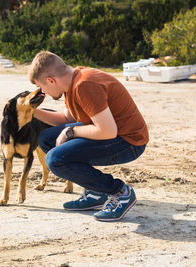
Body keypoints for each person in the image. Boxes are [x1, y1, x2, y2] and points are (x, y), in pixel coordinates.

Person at [29, 51, 149, 221]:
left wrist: (71, 131)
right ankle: (95, 191)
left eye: (42, 87)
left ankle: (120, 192)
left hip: (129, 141)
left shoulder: (85, 85)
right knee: (46, 138)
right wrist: (31, 111)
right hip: (111, 133)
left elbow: (108, 131)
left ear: (51, 80)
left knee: (56, 159)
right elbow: (66, 119)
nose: (43, 92)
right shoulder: (72, 82)